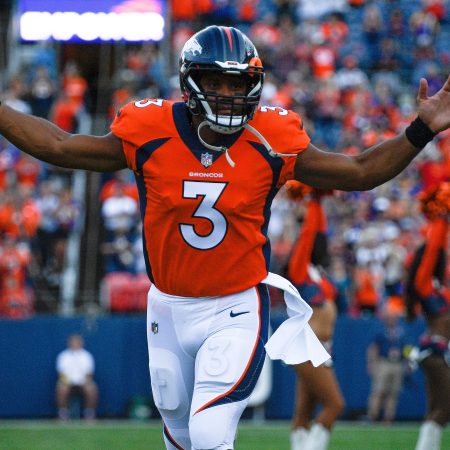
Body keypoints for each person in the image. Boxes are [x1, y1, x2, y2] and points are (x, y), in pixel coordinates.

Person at [0, 25, 449, 450]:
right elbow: (58, 146)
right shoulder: (150, 129)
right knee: (179, 437)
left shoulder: (271, 137)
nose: (230, 95)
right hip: (168, 306)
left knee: (210, 433)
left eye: (240, 84)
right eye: (217, 82)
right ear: (190, 81)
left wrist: (421, 129)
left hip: (235, 307)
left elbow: (360, 172)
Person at [286, 183, 345, 450]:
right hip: (307, 347)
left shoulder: (318, 274)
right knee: (335, 404)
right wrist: (311, 200)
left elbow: (319, 232)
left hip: (320, 348)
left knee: (303, 413)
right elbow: (310, 234)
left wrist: (319, 201)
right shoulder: (299, 270)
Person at [405, 182, 450, 450]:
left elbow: (438, 250)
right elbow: (433, 250)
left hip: (440, 354)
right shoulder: (426, 287)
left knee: (438, 409)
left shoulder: (440, 289)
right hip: (434, 354)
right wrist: (440, 218)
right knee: (444, 407)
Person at [366, 302, 408, 424]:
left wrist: (407, 362)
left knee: (393, 392)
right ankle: (373, 415)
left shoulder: (401, 330)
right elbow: (373, 348)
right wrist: (371, 363)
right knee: (378, 390)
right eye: (389, 316)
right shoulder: (380, 329)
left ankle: (388, 417)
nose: (391, 318)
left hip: (398, 363)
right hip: (383, 362)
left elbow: (406, 347)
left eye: (393, 316)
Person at [55, 334, 98, 421]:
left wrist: (85, 382)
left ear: (81, 343)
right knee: (62, 388)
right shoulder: (63, 356)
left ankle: (89, 414)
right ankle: (63, 414)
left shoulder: (87, 356)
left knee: (91, 388)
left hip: (83, 382)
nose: (75, 344)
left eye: (77, 342)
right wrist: (66, 382)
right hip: (67, 382)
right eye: (73, 342)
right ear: (69, 343)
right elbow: (61, 374)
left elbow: (89, 374)